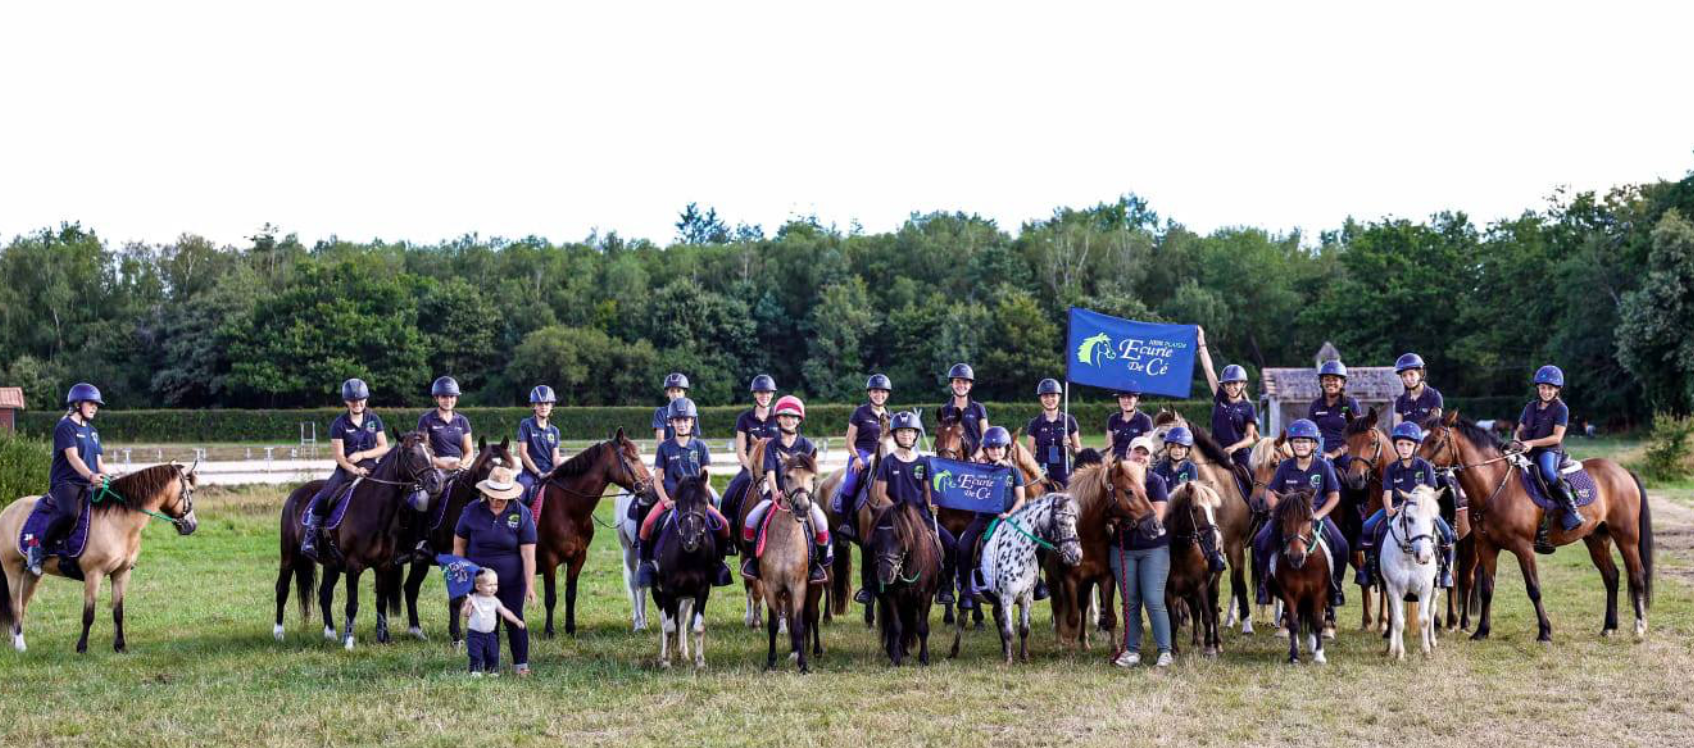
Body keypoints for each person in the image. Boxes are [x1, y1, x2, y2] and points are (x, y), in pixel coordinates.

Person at [854, 411, 949, 606]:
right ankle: (868, 588)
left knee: (950, 543)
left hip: (921, 517)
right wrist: (898, 513)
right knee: (868, 545)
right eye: (902, 432)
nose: (906, 435)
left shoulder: (923, 462)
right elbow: (881, 494)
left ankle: (944, 587)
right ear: (895, 435)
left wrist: (932, 502)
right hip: (893, 517)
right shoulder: (888, 462)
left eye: (910, 432)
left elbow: (926, 490)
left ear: (916, 435)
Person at [636, 397, 732, 587]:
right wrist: (665, 500)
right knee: (646, 524)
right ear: (671, 422)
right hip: (672, 498)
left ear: (692, 422)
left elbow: (706, 475)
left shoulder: (700, 447)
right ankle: (646, 564)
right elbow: (657, 478)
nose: (682, 424)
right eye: (678, 420)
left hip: (695, 500)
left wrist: (701, 496)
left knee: (723, 524)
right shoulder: (664, 447)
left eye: (686, 420)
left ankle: (718, 563)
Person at [1252, 419, 1349, 607]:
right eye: (1297, 441)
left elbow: (1334, 495)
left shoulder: (1323, 466)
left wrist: (1319, 515)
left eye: (1305, 441)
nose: (1301, 445)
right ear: (1292, 444)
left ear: (1314, 444)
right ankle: (1264, 586)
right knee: (1259, 541)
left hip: (1316, 517)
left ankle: (1336, 587)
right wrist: (1277, 510)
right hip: (1287, 518)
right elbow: (1271, 493)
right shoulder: (1285, 466)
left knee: (1342, 546)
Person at [452, 463, 537, 676]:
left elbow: (528, 554)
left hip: (511, 581)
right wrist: (460, 579)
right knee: (484, 622)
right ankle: (490, 666)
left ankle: (521, 665)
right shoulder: (471, 510)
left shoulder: (522, 513)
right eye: (492, 496)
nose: (496, 500)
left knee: (513, 617)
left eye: (501, 496)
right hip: (479, 580)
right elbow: (459, 545)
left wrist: (530, 586)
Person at [739, 396, 832, 583]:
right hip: (777, 495)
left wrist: (806, 494)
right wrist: (775, 493)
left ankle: (819, 565)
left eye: (793, 417)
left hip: (802, 497)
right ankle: (752, 562)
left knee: (822, 524)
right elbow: (771, 472)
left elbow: (812, 475)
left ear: (799, 420)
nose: (789, 420)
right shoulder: (772, 445)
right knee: (750, 520)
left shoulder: (807, 445)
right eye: (785, 416)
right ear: (778, 419)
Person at [1357, 423, 1455, 589]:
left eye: (1409, 444)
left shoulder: (1424, 467)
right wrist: (1388, 508)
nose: (1404, 448)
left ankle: (1446, 571)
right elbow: (1387, 492)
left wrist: (1416, 504)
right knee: (1367, 527)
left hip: (1421, 509)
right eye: (1401, 444)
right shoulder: (1391, 468)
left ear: (1416, 446)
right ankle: (1369, 568)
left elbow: (1430, 492)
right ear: (1395, 445)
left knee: (1447, 533)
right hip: (1396, 507)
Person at [26, 383, 108, 576]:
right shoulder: (65, 427)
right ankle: (38, 550)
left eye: (97, 404)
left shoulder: (93, 431)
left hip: (88, 482)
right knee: (70, 513)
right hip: (65, 482)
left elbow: (99, 463)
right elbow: (73, 457)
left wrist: (114, 479)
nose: (95, 407)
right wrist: (90, 476)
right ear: (78, 404)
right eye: (91, 403)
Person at [302, 379, 389, 559]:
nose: (357, 404)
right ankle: (310, 538)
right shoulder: (339, 424)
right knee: (324, 496)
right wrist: (354, 469)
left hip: (372, 467)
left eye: (361, 400)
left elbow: (383, 447)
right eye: (353, 401)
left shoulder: (374, 420)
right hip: (346, 469)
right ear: (346, 402)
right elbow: (339, 456)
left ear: (366, 399)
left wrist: (363, 455)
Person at [1111, 436, 1172, 668]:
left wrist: (1124, 518)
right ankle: (1132, 650)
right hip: (1123, 549)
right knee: (1130, 601)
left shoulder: (1155, 481)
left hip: (1153, 549)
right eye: (1137, 452)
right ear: (1128, 453)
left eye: (1145, 453)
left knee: (1154, 599)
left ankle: (1165, 650)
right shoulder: (1116, 480)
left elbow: (1156, 518)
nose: (1141, 457)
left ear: (1150, 457)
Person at [956, 426, 1030, 610]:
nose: (996, 451)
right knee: (964, 545)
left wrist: (1009, 514)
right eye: (991, 448)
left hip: (1009, 518)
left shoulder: (1013, 472)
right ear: (986, 450)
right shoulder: (979, 469)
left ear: (1006, 449)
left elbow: (1021, 498)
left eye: (999, 448)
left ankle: (1035, 583)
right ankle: (965, 589)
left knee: (1030, 542)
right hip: (983, 519)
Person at [1514, 365, 1582, 537]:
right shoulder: (1530, 407)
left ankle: (1572, 509)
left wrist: (1531, 443)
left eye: (1550, 388)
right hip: (1527, 449)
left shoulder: (1561, 409)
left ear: (1557, 390)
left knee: (1548, 472)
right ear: (1538, 387)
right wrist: (1516, 440)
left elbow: (1556, 437)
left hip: (1549, 451)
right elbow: (1519, 428)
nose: (1546, 392)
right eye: (1543, 388)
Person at [1193, 327, 1258, 489]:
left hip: (1239, 457)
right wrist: (1201, 341)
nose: (1231, 387)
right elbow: (1209, 369)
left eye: (1235, 383)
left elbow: (1251, 437)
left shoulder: (1248, 407)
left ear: (1243, 384)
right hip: (1216, 454)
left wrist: (1235, 447)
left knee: (1254, 487)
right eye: (1228, 384)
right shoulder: (1220, 397)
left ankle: (1260, 513)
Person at [832, 374, 892, 540]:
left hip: (884, 456)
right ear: (869, 393)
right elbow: (849, 441)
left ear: (887, 394)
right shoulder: (860, 412)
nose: (879, 395)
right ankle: (845, 523)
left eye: (882, 392)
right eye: (875, 391)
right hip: (862, 454)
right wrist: (856, 457)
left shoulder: (890, 415)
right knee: (850, 484)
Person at [723, 374, 780, 535]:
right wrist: (752, 469)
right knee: (728, 496)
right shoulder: (744, 418)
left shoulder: (779, 417)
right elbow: (741, 451)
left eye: (768, 392)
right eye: (761, 393)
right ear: (754, 394)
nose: (764, 396)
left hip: (776, 469)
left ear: (772, 394)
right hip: (751, 468)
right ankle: (730, 536)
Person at [461, 568, 526, 676]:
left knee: (493, 653)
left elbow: (505, 612)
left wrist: (517, 620)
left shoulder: (494, 600)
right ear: (478, 587)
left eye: (495, 584)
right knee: (475, 654)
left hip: (490, 634)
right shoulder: (473, 599)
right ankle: (475, 671)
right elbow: (465, 614)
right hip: (475, 634)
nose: (493, 588)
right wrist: (468, 605)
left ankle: (493, 671)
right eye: (489, 585)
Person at [1307, 361, 1361, 474]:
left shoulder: (1351, 404)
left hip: (1345, 454)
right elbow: (1310, 435)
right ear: (1321, 382)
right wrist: (1318, 451)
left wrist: (1334, 454)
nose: (1331, 383)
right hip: (1321, 454)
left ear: (1342, 383)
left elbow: (1357, 437)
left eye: (1335, 379)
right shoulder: (1315, 406)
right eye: (1327, 379)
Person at [1025, 379, 1080, 488]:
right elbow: (1029, 455)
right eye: (1045, 396)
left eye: (1053, 395)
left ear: (1059, 397)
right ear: (1040, 398)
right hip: (1041, 471)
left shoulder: (1069, 420)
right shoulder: (1034, 423)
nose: (1049, 399)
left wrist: (1069, 445)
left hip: (1063, 471)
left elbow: (1078, 452)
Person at [515, 385, 563, 508]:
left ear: (552, 406)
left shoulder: (555, 431)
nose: (543, 407)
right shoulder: (526, 425)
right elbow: (522, 453)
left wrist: (561, 467)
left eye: (547, 403)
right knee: (518, 496)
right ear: (534, 406)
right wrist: (538, 473)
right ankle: (517, 525)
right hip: (530, 474)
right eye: (540, 403)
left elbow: (555, 457)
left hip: (550, 473)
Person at [420, 376, 474, 472]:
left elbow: (469, 451)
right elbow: (424, 452)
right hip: (436, 467)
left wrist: (461, 464)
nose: (448, 400)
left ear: (456, 398)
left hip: (459, 466)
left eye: (452, 396)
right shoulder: (426, 419)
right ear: (436, 398)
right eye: (444, 396)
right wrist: (447, 465)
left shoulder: (462, 421)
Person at [938, 363, 989, 459]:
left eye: (965, 382)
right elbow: (941, 438)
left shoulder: (978, 408)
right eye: (957, 381)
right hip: (952, 463)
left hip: (976, 462)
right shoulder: (944, 410)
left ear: (970, 385)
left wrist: (974, 458)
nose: (961, 385)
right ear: (951, 384)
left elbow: (986, 439)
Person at [1391, 353, 1444, 428]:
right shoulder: (1400, 400)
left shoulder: (1434, 396)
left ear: (1421, 374)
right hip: (1406, 438)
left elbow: (1433, 427)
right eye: (1404, 375)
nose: (1408, 379)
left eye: (1411, 374)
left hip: (1426, 438)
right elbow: (1398, 428)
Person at [1105, 390, 1153, 460]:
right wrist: (1109, 461)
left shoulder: (1145, 419)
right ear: (1118, 400)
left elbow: (1145, 446)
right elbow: (1109, 445)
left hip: (1135, 461)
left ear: (1136, 399)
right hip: (1116, 462)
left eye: (1129, 397)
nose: (1126, 401)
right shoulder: (1113, 418)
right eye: (1122, 397)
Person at [651, 372, 690, 443]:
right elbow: (660, 440)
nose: (675, 394)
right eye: (672, 391)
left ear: (684, 392)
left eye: (679, 391)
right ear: (667, 393)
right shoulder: (661, 412)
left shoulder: (690, 411)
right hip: (668, 452)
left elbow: (693, 438)